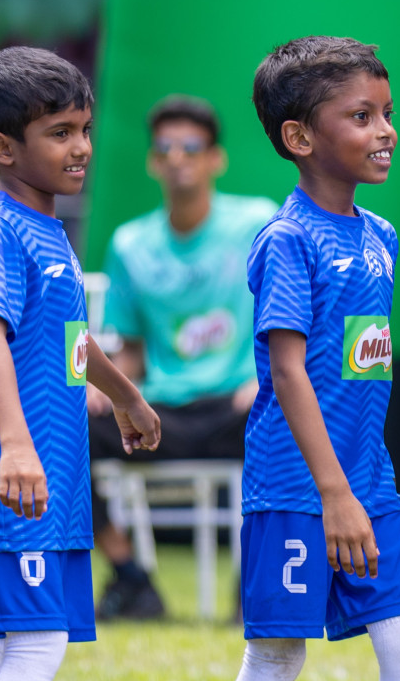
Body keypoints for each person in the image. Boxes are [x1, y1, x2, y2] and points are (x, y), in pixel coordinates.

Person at [222, 37, 400, 681]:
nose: (386, 131)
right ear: (299, 137)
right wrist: (332, 493)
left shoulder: (383, 235)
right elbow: (287, 374)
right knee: (278, 655)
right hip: (298, 486)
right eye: (362, 116)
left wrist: (356, 486)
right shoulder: (288, 240)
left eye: (388, 112)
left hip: (369, 484)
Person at [0, 46, 161, 681]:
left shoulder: (49, 232)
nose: (82, 148)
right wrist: (16, 444)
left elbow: (75, 339)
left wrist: (125, 395)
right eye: (60, 133)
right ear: (2, 147)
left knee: (32, 642)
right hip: (18, 474)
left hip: (58, 477)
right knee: (36, 643)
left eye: (84, 130)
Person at [87, 95, 278, 620]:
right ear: (152, 162)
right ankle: (130, 578)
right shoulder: (130, 244)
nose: (177, 158)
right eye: (165, 148)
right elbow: (132, 355)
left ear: (216, 159)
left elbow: (290, 323)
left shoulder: (259, 223)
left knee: (289, 414)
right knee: (63, 426)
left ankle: (257, 587)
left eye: (191, 147)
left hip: (240, 405)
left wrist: (266, 379)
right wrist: (103, 389)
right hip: (162, 415)